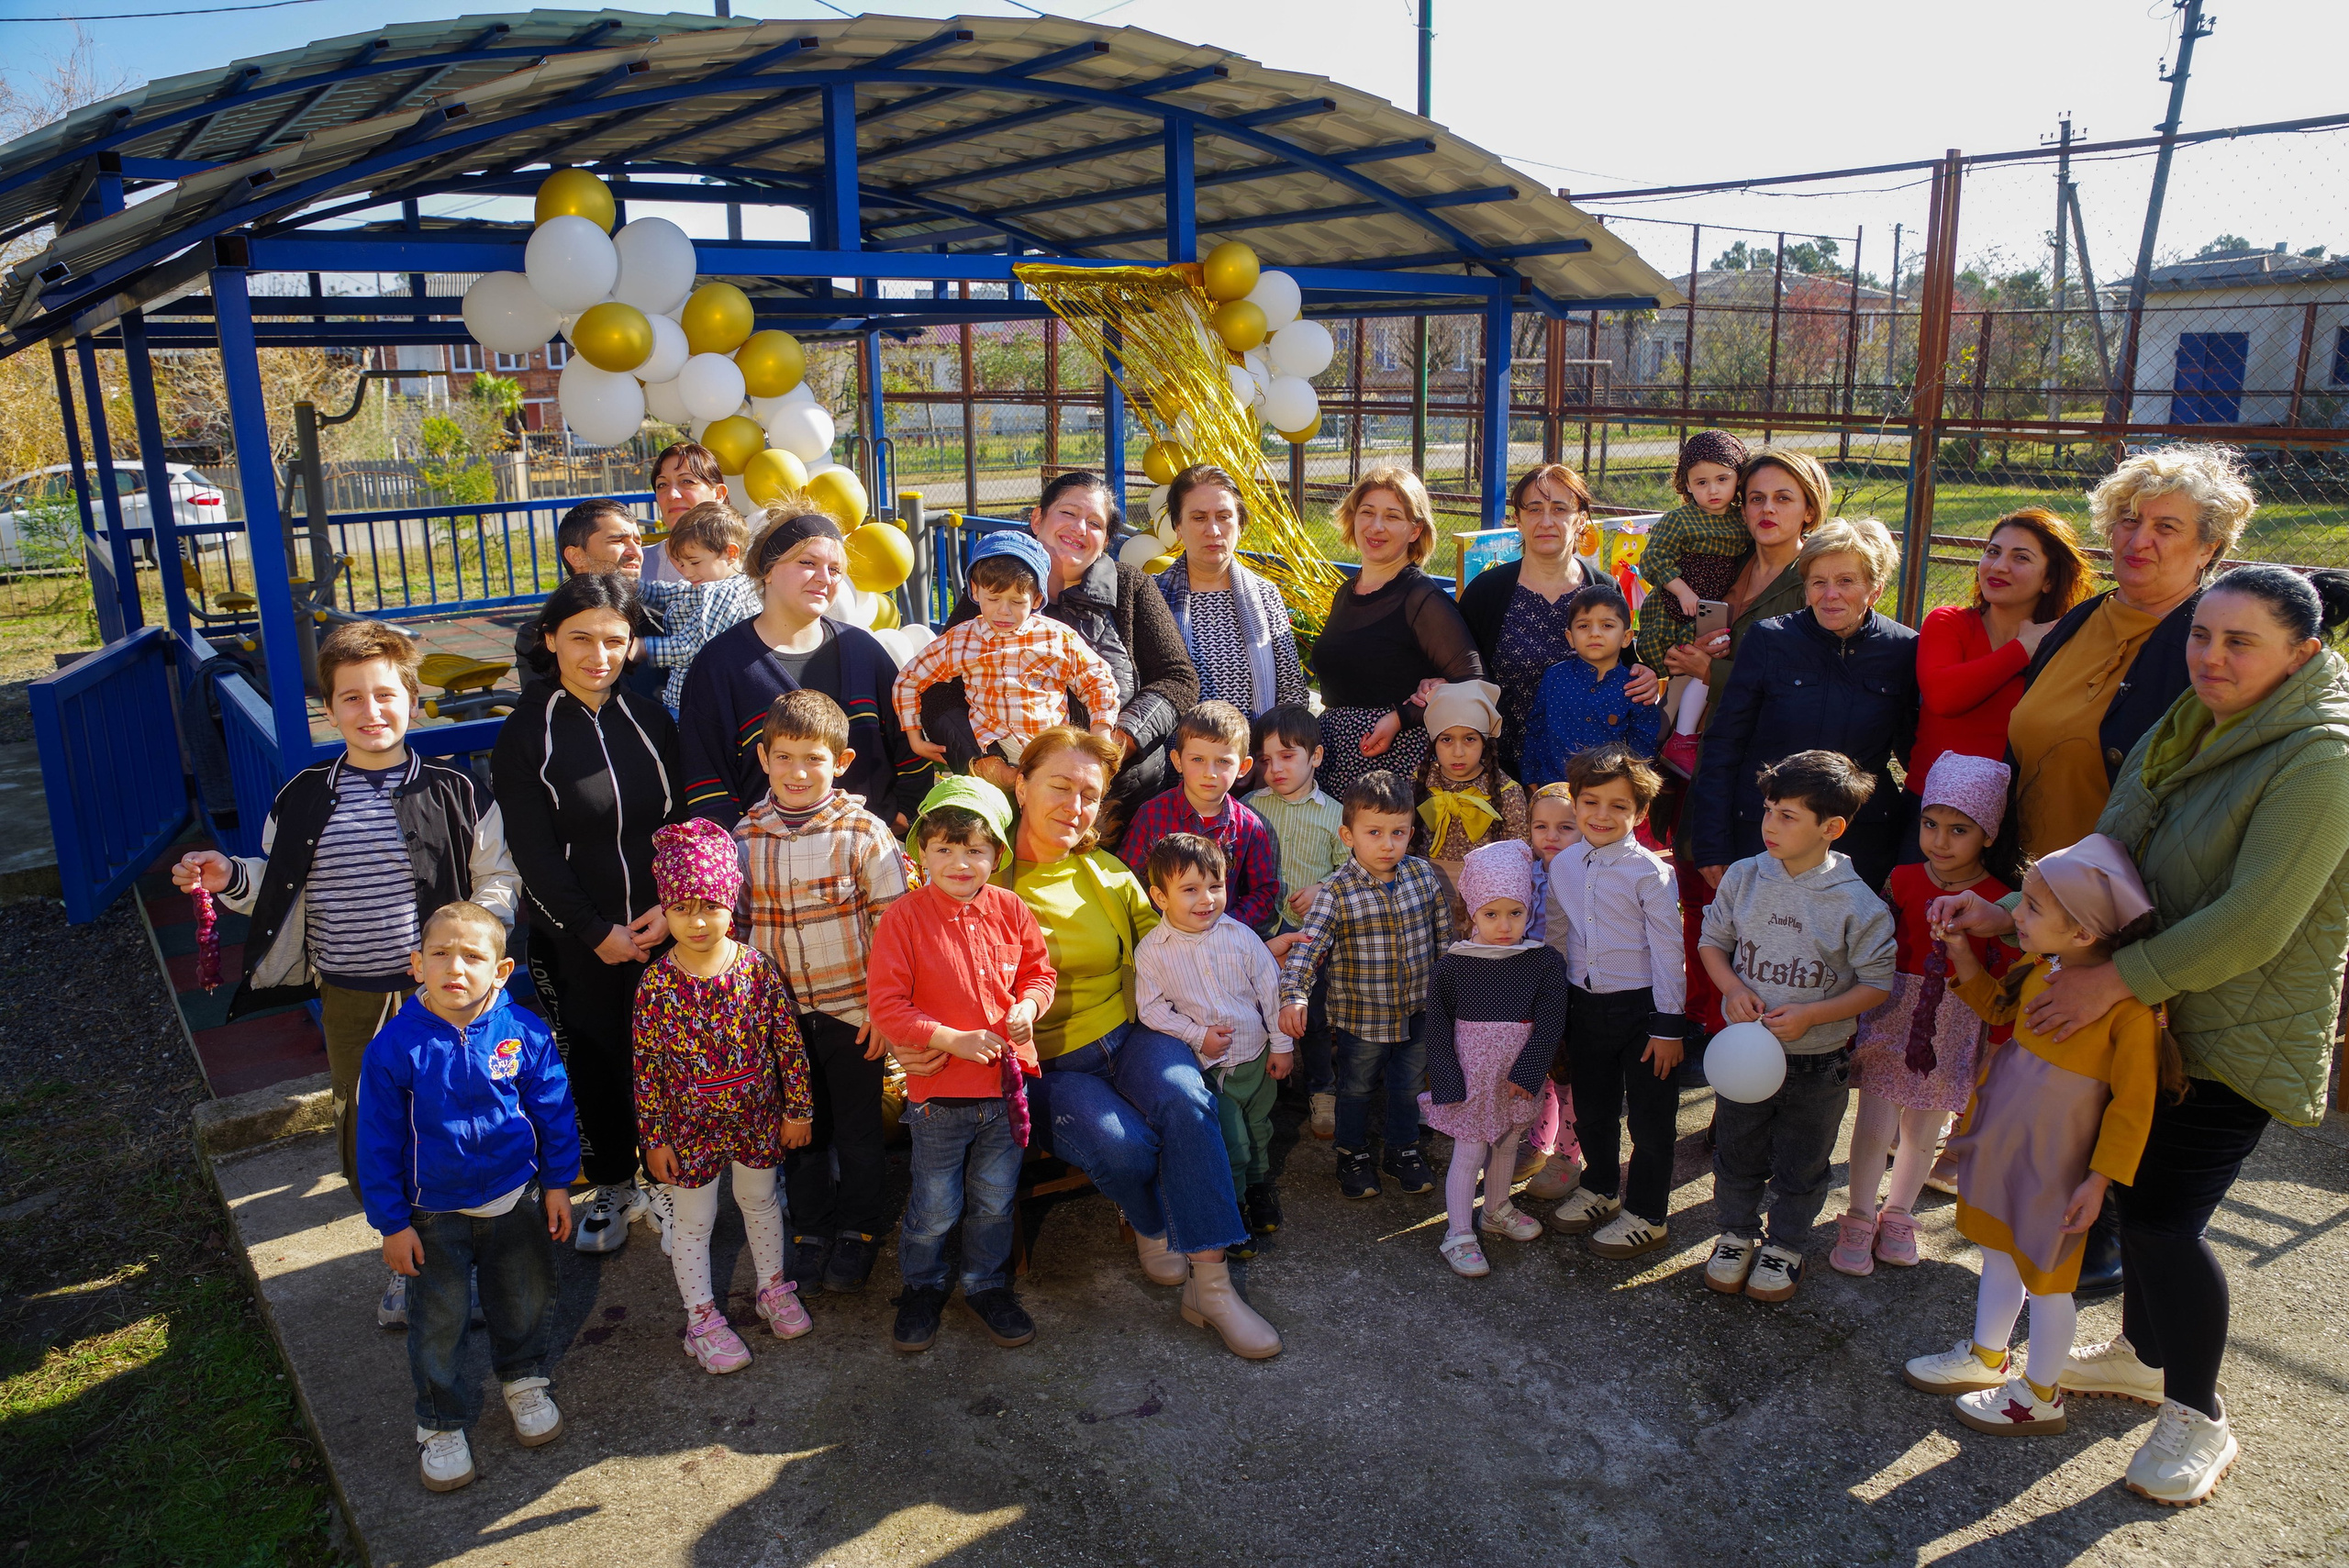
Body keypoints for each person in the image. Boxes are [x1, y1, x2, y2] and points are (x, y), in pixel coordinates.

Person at [1932, 563, 2349, 1507]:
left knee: (2160, 1220)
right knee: (2137, 1201)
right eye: (2202, 634)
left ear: (2303, 652)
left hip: (2230, 1028)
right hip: (2141, 1014)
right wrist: (2013, 914)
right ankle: (2137, 1355)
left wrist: (2106, 980)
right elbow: (2112, 852)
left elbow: (2255, 921)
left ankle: (2196, 1415)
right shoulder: (2197, 716)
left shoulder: (2322, 757)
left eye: (2239, 641)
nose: (2209, 656)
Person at [171, 620, 520, 1327]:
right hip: (351, 995)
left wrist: (472, 952)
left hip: (445, 999)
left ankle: (460, 1258)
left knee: (454, 1122)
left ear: (413, 699)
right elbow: (278, 884)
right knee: (370, 1127)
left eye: (385, 694)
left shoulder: (457, 791)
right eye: (351, 698)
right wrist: (228, 874)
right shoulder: (302, 795)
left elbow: (497, 878)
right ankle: (401, 1258)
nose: (371, 711)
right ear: (328, 710)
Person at [890, 729, 1280, 1359]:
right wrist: (902, 1038)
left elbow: (1181, 939)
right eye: (1061, 786)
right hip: (1042, 1066)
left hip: (1130, 1035)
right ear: (1021, 785)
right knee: (1121, 1146)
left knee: (1186, 1099)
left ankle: (1212, 1288)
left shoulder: (1106, 871)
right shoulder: (977, 874)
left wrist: (1253, 956)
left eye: (1090, 794)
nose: (1075, 805)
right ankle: (1155, 1219)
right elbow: (913, 962)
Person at [1902, 836, 2167, 1440]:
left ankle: (2040, 1395)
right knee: (1998, 1250)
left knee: (2049, 1281)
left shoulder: (2130, 1013)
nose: (2015, 913)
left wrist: (2101, 1180)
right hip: (2005, 1137)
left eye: (2033, 909)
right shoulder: (2040, 966)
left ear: (2082, 934)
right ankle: (1987, 1354)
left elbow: (2134, 1106)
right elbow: (1997, 1009)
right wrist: (1962, 952)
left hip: (2060, 1163)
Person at [491, 573, 685, 1255]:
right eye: (579, 638)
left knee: (665, 1060)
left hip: (666, 931)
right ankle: (612, 1182)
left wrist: (673, 907)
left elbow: (683, 823)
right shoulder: (526, 732)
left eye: (613, 639)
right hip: (575, 941)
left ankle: (670, 1179)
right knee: (596, 1065)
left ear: (633, 645)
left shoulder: (654, 719)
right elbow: (532, 851)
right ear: (550, 640)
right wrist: (593, 930)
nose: (597, 654)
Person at [356, 901, 577, 1495]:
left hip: (516, 1199)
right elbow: (376, 1141)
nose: (456, 966)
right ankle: (439, 1420)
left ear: (502, 971)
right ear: (417, 963)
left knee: (524, 1298)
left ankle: (524, 1378)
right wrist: (392, 1222)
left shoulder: (525, 1031)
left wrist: (558, 1180)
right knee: (439, 1321)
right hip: (434, 1214)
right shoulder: (394, 1048)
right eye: (441, 953)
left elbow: (553, 1110)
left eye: (473, 956)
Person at [1697, 751, 1896, 1306]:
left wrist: (1812, 1015)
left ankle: (1786, 1244)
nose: (1770, 824)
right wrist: (1733, 989)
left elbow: (1878, 986)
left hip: (1818, 1060)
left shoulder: (1859, 902)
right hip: (1743, 1055)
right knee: (1737, 1148)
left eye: (1788, 815)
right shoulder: (1743, 876)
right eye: (1768, 809)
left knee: (1804, 1162)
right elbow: (1713, 943)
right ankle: (1735, 1234)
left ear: (1831, 828)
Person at [730, 690, 910, 1297]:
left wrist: (886, 1011)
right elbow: (737, 930)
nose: (798, 772)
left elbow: (894, 931)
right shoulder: (746, 836)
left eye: (813, 758)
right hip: (779, 1022)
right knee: (798, 1131)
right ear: (763, 757)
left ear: (841, 759)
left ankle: (860, 1229)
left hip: (852, 1013)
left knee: (859, 1131)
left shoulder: (865, 834)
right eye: (784, 757)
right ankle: (809, 1229)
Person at [867, 779, 1056, 1354]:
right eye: (944, 848)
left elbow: (1038, 975)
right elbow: (888, 1006)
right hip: (939, 1095)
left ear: (997, 855)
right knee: (935, 1203)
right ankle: (922, 1286)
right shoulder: (902, 919)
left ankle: (984, 1284)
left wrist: (1027, 1007)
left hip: (1004, 1091)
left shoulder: (1011, 909)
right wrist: (949, 1038)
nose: (959, 862)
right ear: (920, 853)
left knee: (995, 1199)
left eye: (974, 849)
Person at [919, 471, 1200, 845]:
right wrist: (982, 764)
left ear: (1105, 540)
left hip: (1124, 805)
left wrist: (1113, 746)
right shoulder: (992, 590)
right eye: (1067, 513)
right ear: (1038, 519)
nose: (1079, 528)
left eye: (1095, 523)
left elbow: (1178, 679)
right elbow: (938, 690)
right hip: (1014, 802)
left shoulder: (1133, 587)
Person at [2007, 445, 2255, 862]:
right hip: (2029, 884)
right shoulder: (2077, 621)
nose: (2140, 540)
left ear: (2207, 549)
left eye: (2167, 527)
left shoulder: (2210, 651)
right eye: (2130, 520)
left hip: (2125, 899)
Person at [632, 820, 816, 1373]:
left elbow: (786, 1043)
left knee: (761, 1202)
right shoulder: (657, 986)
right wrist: (654, 1138)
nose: (697, 920)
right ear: (665, 911)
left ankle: (773, 1288)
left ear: (730, 905)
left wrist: (798, 1106)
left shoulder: (758, 970)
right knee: (694, 1221)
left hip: (758, 1119)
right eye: (682, 908)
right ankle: (702, 1318)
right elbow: (644, 1070)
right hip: (688, 1129)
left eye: (709, 905)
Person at [1664, 449, 1828, 1041]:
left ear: (1809, 507)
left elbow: (1805, 680)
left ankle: (1737, 1031)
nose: (1766, 509)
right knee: (1696, 891)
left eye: (1783, 497)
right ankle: (1699, 1017)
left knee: (1747, 905)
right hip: (1701, 755)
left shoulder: (1813, 580)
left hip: (1763, 769)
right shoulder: (1733, 563)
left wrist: (1713, 675)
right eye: (1755, 496)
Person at [1831, 753, 2014, 1278]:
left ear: (1988, 834)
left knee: (1924, 1127)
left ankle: (1900, 1213)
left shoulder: (2001, 901)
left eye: (1959, 829)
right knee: (1874, 1119)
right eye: (1931, 824)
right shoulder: (1902, 878)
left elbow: (2004, 980)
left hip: (1957, 1022)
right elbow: (1875, 945)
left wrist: (1997, 1043)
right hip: (1891, 1011)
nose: (1940, 840)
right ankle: (1860, 1213)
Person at [1691, 516, 1920, 894]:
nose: (1830, 595)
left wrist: (1911, 854)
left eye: (1846, 581)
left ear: (1875, 589)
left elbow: (1917, 757)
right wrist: (1712, 843)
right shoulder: (1769, 640)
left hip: (1859, 846)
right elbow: (1723, 743)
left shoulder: (1903, 650)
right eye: (1818, 582)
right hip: (1767, 840)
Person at [680, 511, 930, 830]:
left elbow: (909, 742)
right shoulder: (720, 664)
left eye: (835, 569)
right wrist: (735, 855)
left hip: (871, 860)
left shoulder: (862, 650)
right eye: (807, 563)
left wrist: (905, 814)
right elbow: (705, 778)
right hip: (765, 867)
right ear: (767, 570)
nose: (824, 578)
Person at [1278, 770, 1454, 1202]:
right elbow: (1307, 947)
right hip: (1361, 1019)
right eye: (1374, 832)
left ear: (1411, 832)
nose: (1387, 843)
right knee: (1356, 1088)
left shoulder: (1423, 876)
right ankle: (1352, 1154)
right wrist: (1295, 994)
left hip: (1418, 1010)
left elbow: (1443, 938)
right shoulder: (1336, 892)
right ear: (1348, 835)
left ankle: (1402, 1148)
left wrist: (1452, 989)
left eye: (1398, 832)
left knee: (1408, 1086)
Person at [1543, 746, 1687, 1262]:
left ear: (1639, 814)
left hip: (1644, 1012)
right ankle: (1600, 1187)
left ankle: (1648, 1215)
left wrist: (1669, 1026)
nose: (1602, 816)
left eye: (1619, 806)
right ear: (1575, 805)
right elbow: (1557, 935)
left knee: (1650, 1120)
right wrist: (1552, 1009)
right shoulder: (1564, 866)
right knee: (1594, 1109)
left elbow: (1670, 951)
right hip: (1584, 1008)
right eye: (1591, 802)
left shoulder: (1651, 873)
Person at [1135, 833, 1294, 1250]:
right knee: (1232, 1142)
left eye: (1215, 886)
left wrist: (1281, 1045)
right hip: (1213, 1070)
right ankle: (1233, 1205)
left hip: (1257, 1058)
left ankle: (1258, 1187)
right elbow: (1150, 1009)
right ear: (1159, 896)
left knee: (1259, 1131)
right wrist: (1196, 1035)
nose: (1206, 899)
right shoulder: (1153, 951)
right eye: (1189, 890)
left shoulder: (1239, 935)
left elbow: (1269, 990)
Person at [1422, 840, 1571, 1278]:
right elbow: (1437, 1026)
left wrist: (1529, 1071)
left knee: (1508, 1143)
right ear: (1471, 913)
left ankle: (1497, 1209)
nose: (1504, 926)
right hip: (1472, 1081)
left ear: (1530, 908)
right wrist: (1446, 1078)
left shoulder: (1542, 963)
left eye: (1516, 913)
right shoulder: (1454, 965)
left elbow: (1549, 1024)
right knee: (1469, 1151)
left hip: (1516, 1080)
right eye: (1491, 914)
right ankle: (1458, 1232)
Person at [1457, 462, 1660, 775]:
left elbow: (1627, 663)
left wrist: (1645, 676)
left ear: (1580, 520)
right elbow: (1459, 671)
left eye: (1560, 509)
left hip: (1587, 774)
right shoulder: (1487, 592)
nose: (1546, 521)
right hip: (1498, 768)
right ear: (1518, 521)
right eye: (1534, 509)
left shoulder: (1603, 588)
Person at [1308, 466, 1483, 798]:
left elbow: (1476, 684)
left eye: (1392, 516)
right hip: (1334, 760)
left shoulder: (1421, 598)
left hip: (1395, 768)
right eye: (1367, 513)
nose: (1376, 527)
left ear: (1415, 530)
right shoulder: (1346, 592)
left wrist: (1401, 717)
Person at [895, 530, 1121, 767]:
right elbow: (909, 679)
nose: (1004, 611)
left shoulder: (1057, 638)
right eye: (993, 599)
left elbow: (1098, 680)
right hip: (992, 756)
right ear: (974, 590)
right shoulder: (962, 640)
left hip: (1051, 754)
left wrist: (1101, 732)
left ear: (1035, 600)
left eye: (1017, 602)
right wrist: (915, 737)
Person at [1910, 509, 2091, 786]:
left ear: (2049, 580)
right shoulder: (1948, 622)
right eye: (1993, 552)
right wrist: (2023, 649)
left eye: (2021, 557)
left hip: (2016, 808)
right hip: (1931, 810)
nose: (1998, 567)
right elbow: (1944, 697)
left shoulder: (2065, 643)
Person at [1248, 705, 1346, 1140]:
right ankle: (1270, 1084)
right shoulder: (1251, 806)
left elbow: (1352, 871)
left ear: (1316, 756)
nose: (1276, 769)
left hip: (1313, 938)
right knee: (1263, 1008)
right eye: (1266, 760)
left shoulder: (1336, 814)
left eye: (1287, 755)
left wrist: (1323, 888)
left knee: (1313, 1015)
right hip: (1264, 931)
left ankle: (1322, 1089)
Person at [1636, 430, 1753, 777]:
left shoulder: (1742, 519)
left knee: (1703, 670)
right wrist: (1683, 590)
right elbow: (1653, 558)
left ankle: (1677, 738)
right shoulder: (1680, 519)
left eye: (1722, 479)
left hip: (1714, 611)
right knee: (1683, 672)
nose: (1712, 490)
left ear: (1739, 480)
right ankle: (1669, 739)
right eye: (1701, 482)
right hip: (1676, 612)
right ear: (1686, 484)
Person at [1152, 464, 1308, 717]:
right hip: (1176, 753)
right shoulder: (1153, 595)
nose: (1213, 530)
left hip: (1255, 752)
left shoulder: (1265, 595)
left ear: (1240, 525)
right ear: (1178, 527)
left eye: (1224, 516)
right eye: (1199, 517)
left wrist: (1272, 751)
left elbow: (1292, 692)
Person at [1119, 700, 1281, 934]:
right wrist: (1159, 922)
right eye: (1197, 760)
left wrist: (1228, 924)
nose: (1210, 773)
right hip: (1161, 939)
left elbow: (1263, 892)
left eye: (1223, 761)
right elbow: (1128, 881)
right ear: (1178, 761)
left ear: (1244, 767)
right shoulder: (1151, 816)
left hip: (1224, 944)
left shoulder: (1249, 826)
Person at [513, 498, 666, 704]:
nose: (635, 552)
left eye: (638, 543)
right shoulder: (540, 636)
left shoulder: (662, 625)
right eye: (618, 540)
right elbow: (549, 718)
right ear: (576, 556)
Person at [1521, 581, 1664, 788]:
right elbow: (1536, 730)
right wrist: (1530, 779)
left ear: (1626, 637)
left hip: (1608, 794)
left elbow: (1643, 745)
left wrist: (1632, 791)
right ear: (1570, 637)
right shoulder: (1554, 677)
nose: (1594, 633)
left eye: (1607, 625)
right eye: (1583, 626)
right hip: (1554, 788)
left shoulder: (1635, 686)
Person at [1412, 679, 1530, 927]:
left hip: (1486, 905)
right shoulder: (1419, 783)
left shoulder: (1507, 792)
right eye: (1446, 740)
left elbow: (1520, 859)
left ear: (1485, 742)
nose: (1458, 752)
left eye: (1469, 739)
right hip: (1425, 896)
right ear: (1433, 742)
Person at [1519, 781, 1586, 1202]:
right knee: (1538, 1067)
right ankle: (1538, 1140)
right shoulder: (1526, 871)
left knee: (1570, 1076)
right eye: (1540, 826)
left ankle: (1568, 1153)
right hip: (1531, 988)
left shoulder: (1584, 875)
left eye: (1565, 827)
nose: (1551, 836)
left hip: (1575, 990)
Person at [640, 501, 759, 715]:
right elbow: (668, 593)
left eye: (694, 562)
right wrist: (632, 587)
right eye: (682, 564)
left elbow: (690, 648)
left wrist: (640, 648)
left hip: (696, 704)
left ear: (730, 553)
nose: (687, 572)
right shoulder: (737, 584)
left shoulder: (724, 593)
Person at [640, 439, 730, 587]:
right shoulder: (638, 566)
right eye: (662, 485)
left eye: (687, 481)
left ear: (719, 494)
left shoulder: (754, 562)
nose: (672, 494)